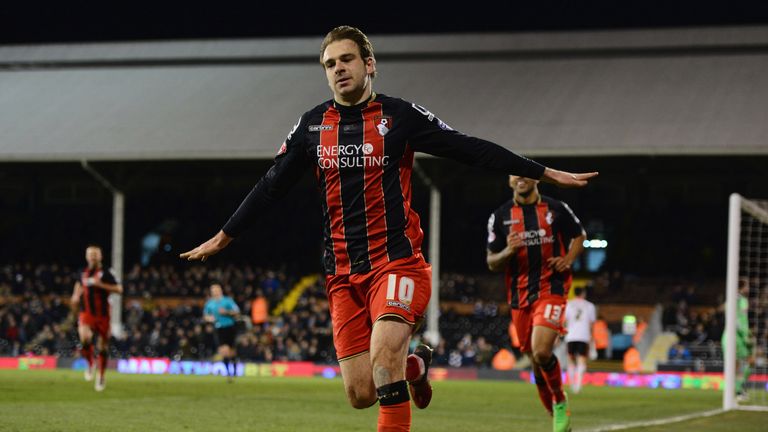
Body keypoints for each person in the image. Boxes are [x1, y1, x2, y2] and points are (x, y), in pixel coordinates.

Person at [181, 25, 597, 432]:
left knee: (383, 364)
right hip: (342, 273)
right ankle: (414, 366)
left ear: (369, 64)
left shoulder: (399, 116)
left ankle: (402, 369)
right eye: (330, 64)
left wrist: (543, 172)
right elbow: (271, 185)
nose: (339, 69)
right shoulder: (313, 126)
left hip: (396, 263)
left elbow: (468, 148)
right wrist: (224, 235)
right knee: (361, 393)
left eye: (347, 59)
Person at [487, 175, 587, 432]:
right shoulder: (499, 216)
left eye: (525, 172)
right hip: (519, 296)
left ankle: (560, 401)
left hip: (552, 288)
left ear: (536, 179)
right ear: (509, 181)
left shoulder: (556, 208)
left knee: (542, 351)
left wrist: (567, 260)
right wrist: (508, 251)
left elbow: (579, 235)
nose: (520, 177)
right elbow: (491, 262)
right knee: (535, 360)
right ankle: (554, 412)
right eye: (514, 173)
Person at [70, 244, 123, 391]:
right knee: (85, 338)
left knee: (102, 347)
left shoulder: (107, 272)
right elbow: (79, 284)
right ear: (87, 256)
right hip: (86, 313)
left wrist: (101, 284)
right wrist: (75, 295)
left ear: (100, 256)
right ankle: (90, 363)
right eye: (90, 254)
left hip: (103, 315)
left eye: (95, 254)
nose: (92, 257)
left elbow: (119, 289)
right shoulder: (83, 272)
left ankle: (101, 375)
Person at [722, 278, 754, 402]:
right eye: (747, 286)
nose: (748, 288)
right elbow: (737, 321)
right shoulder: (740, 300)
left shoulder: (733, 300)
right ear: (742, 287)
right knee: (741, 364)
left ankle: (738, 389)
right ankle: (738, 391)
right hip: (737, 337)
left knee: (744, 363)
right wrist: (745, 335)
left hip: (733, 335)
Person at [204, 283, 241, 381]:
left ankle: (234, 370)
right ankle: (228, 373)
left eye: (216, 290)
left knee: (231, 351)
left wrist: (226, 312)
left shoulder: (227, 301)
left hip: (230, 327)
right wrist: (209, 318)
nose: (215, 292)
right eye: (213, 291)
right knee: (223, 350)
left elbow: (237, 311)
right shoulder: (209, 303)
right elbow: (206, 315)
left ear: (220, 291)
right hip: (218, 328)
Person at [564, 287, 596, 394]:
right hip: (583, 335)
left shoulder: (568, 304)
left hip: (571, 335)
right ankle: (578, 385)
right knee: (581, 360)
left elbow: (565, 320)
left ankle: (572, 384)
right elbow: (591, 324)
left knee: (570, 359)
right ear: (583, 293)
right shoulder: (590, 306)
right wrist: (592, 338)